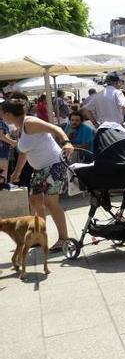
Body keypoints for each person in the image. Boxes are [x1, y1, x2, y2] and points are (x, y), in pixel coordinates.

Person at [3, 95, 75, 252]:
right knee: (34, 200)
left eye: (2, 113)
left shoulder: (30, 122)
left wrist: (66, 142)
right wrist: (17, 172)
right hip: (40, 169)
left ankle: (63, 239)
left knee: (50, 202)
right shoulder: (20, 128)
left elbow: (56, 128)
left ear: (8, 114)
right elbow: (24, 152)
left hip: (55, 164)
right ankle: (39, 235)